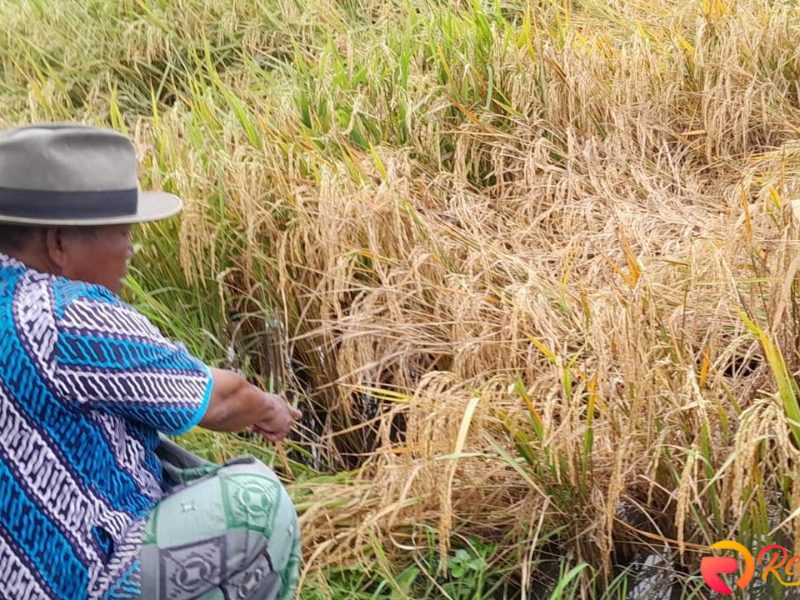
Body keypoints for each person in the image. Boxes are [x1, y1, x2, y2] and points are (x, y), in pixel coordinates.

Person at [0, 124, 302, 599]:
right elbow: (222, 402)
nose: (131, 251)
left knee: (165, 456)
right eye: (123, 234)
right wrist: (270, 409)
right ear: (59, 244)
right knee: (255, 500)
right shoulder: (64, 313)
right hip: (69, 582)